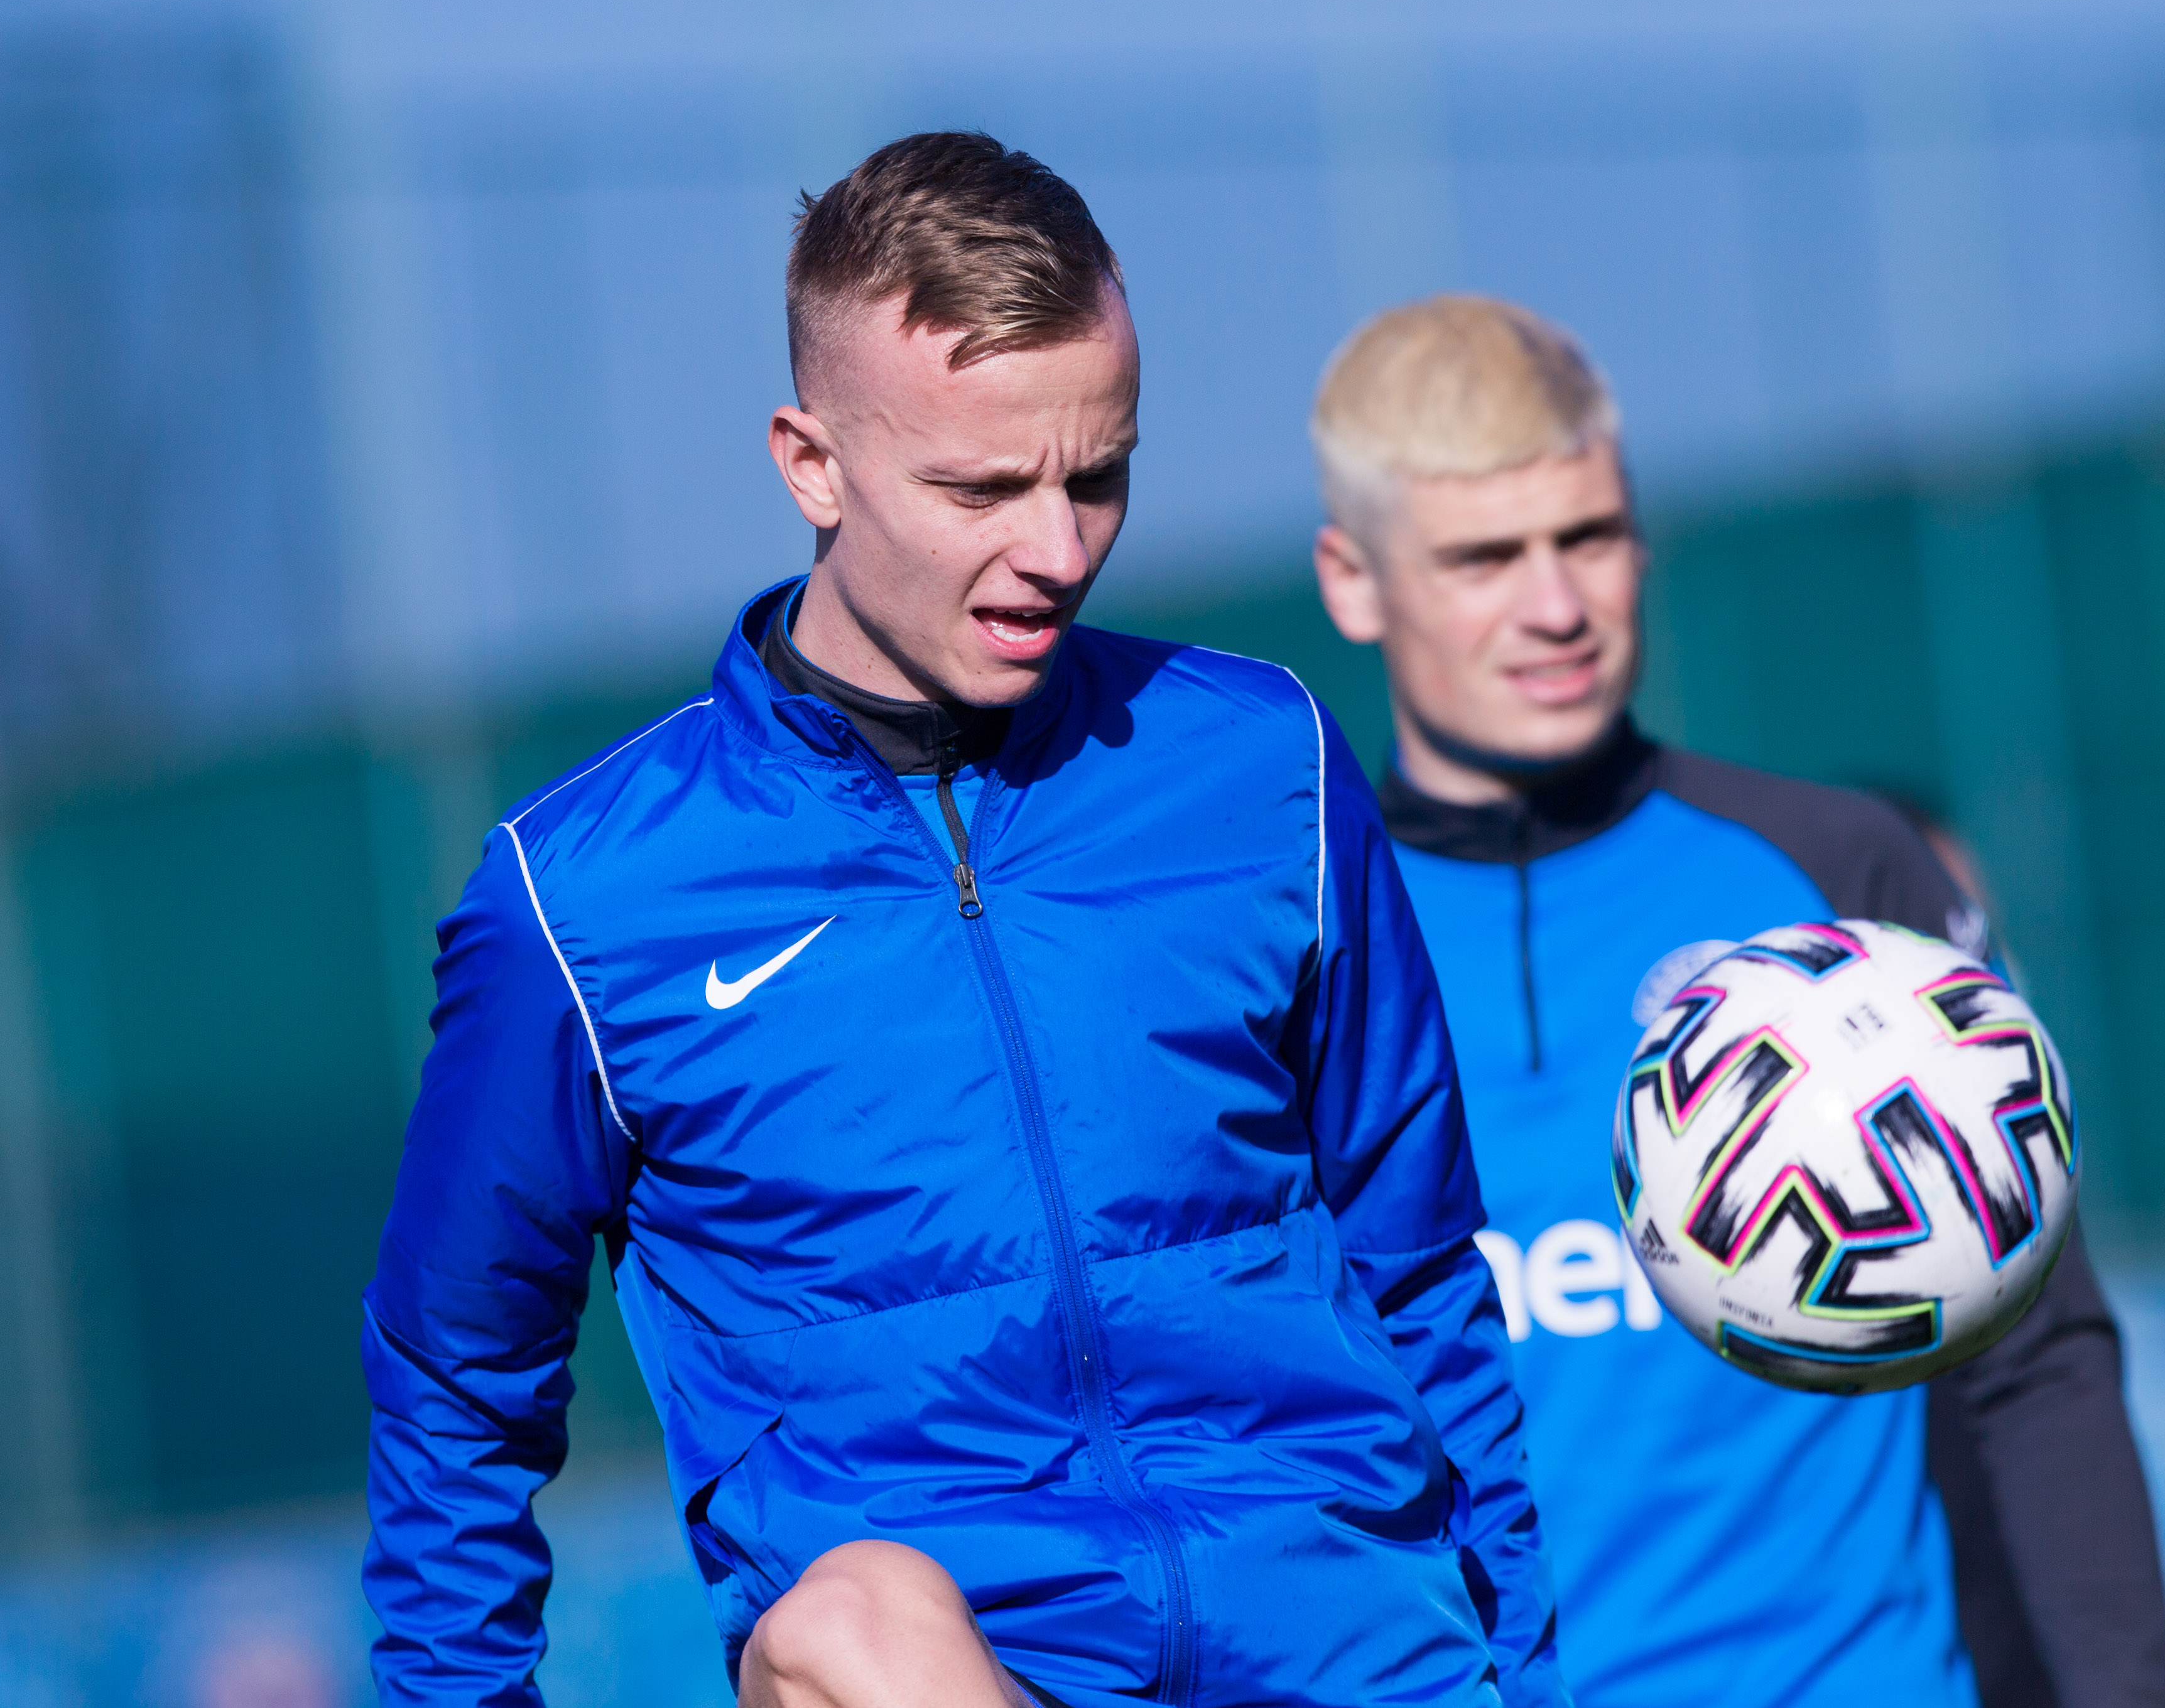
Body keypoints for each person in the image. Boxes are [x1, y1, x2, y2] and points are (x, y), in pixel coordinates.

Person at [361, 138, 1565, 1708]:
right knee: (856, 1621)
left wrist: (1530, 1677)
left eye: (1097, 476)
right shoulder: (580, 899)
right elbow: (455, 1381)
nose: (1056, 551)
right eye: (980, 488)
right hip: (977, 1670)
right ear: (810, 463)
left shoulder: (1267, 763)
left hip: (1359, 1663)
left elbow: (1422, 1274)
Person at [1307, 295, 2165, 1708]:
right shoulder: (1310, 935)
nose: (1556, 606)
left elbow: (2037, 1359)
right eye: (1484, 556)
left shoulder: (1838, 869)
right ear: (1353, 581)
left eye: (1589, 536)